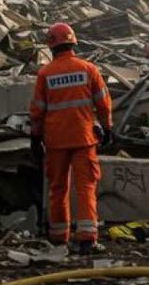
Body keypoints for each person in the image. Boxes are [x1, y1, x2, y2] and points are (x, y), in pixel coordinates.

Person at [29, 23, 113, 254]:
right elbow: (103, 103)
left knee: (57, 188)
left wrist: (35, 138)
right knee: (85, 186)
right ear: (73, 42)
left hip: (55, 141)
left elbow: (37, 110)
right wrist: (107, 127)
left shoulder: (45, 74)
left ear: (51, 46)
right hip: (83, 139)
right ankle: (87, 238)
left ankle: (58, 237)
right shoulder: (88, 69)